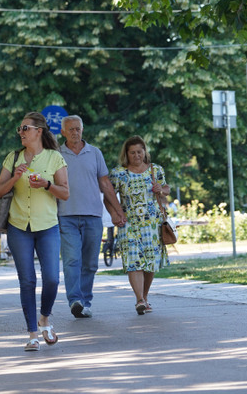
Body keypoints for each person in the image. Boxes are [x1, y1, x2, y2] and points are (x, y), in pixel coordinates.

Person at [0, 112, 69, 351]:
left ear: (39, 131)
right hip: (19, 227)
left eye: (25, 128)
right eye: (20, 128)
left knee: (52, 278)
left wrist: (46, 185)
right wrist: (15, 177)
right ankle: (32, 334)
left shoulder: (55, 158)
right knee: (27, 281)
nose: (21, 132)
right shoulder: (12, 157)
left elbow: (65, 192)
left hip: (47, 226)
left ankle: (44, 317)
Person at [57, 115, 124, 319]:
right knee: (72, 259)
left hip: (93, 215)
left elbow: (105, 183)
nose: (75, 132)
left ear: (82, 130)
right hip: (66, 215)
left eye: (78, 129)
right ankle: (75, 300)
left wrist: (118, 210)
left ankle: (85, 302)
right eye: (71, 129)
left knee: (90, 263)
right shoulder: (56, 154)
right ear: (63, 132)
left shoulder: (94, 152)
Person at [109, 136, 171, 315]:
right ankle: (139, 300)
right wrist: (114, 213)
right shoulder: (118, 173)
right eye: (132, 152)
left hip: (152, 223)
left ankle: (145, 296)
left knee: (150, 262)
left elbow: (166, 189)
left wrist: (161, 189)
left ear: (145, 152)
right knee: (133, 259)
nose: (137, 155)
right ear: (126, 154)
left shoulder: (155, 169)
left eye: (139, 151)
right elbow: (109, 197)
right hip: (128, 222)